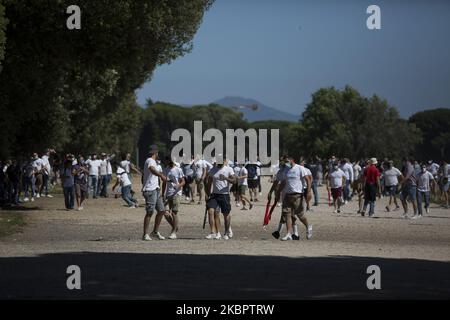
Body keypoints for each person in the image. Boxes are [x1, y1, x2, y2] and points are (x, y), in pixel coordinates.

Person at [277, 155, 313, 241]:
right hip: (287, 195)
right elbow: (283, 182)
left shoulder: (300, 168)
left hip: (297, 195)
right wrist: (278, 191)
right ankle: (289, 233)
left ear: (291, 160)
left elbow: (308, 179)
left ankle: (308, 226)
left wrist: (308, 191)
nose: (286, 163)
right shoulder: (286, 170)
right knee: (287, 215)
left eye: (286, 161)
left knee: (300, 215)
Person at [142, 145, 173, 241]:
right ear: (156, 153)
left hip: (156, 189)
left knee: (162, 210)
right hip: (149, 190)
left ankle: (155, 232)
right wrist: (161, 176)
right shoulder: (150, 160)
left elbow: (161, 173)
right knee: (150, 212)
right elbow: (152, 169)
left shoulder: (156, 163)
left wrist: (167, 179)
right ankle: (145, 234)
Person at [204, 158, 236, 240]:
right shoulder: (213, 170)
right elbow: (209, 183)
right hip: (214, 195)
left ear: (224, 161)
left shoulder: (229, 169)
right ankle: (215, 233)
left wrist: (226, 178)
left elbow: (234, 180)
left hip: (225, 195)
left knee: (226, 214)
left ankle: (226, 232)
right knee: (211, 211)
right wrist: (207, 194)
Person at [162, 157, 185, 239]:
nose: (166, 162)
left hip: (176, 193)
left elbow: (183, 181)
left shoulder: (178, 169)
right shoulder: (165, 170)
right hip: (168, 194)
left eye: (168, 160)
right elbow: (164, 183)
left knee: (174, 213)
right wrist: (162, 194)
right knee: (165, 213)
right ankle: (175, 227)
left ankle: (174, 232)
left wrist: (178, 185)